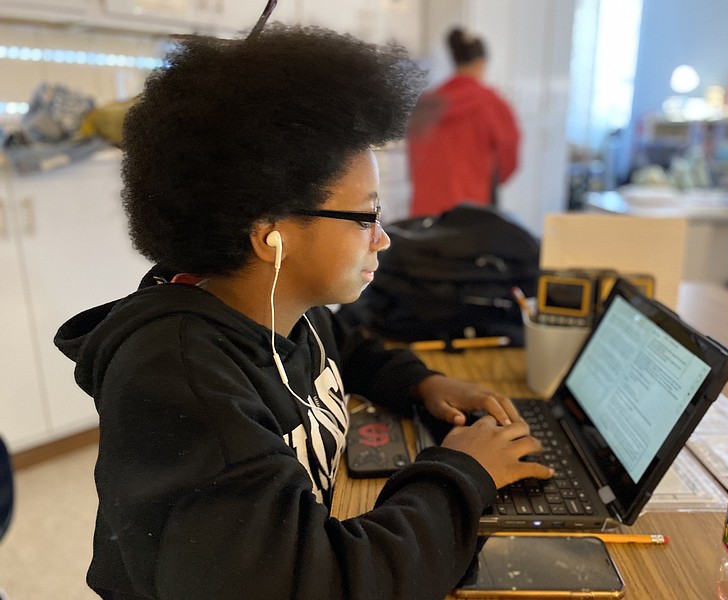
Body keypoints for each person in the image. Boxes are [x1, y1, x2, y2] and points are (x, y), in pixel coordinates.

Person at [53, 10, 552, 600]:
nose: (383, 237)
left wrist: (422, 384)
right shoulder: (184, 386)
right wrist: (465, 473)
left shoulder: (283, 307)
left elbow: (346, 352)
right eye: (365, 216)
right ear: (272, 234)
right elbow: (324, 585)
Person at [406, 27, 521, 217]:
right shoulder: (491, 103)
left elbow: (413, 158)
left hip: (426, 210)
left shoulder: (427, 104)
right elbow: (509, 157)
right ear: (482, 63)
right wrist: (490, 179)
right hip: (471, 213)